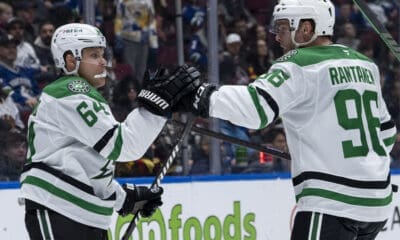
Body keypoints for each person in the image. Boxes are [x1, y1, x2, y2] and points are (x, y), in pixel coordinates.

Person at [173, 0, 397, 239]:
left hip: (332, 202)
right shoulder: (365, 65)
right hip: (376, 204)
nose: (277, 37)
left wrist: (197, 95)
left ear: (307, 29)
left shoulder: (298, 64)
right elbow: (386, 133)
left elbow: (255, 108)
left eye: (282, 28)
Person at [19, 23, 200, 239]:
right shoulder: (69, 91)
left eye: (103, 54)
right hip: (57, 208)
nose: (103, 61)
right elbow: (122, 145)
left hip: (85, 214)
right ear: (70, 60)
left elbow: (88, 163)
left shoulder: (83, 96)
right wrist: (156, 107)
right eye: (94, 55)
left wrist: (122, 198)